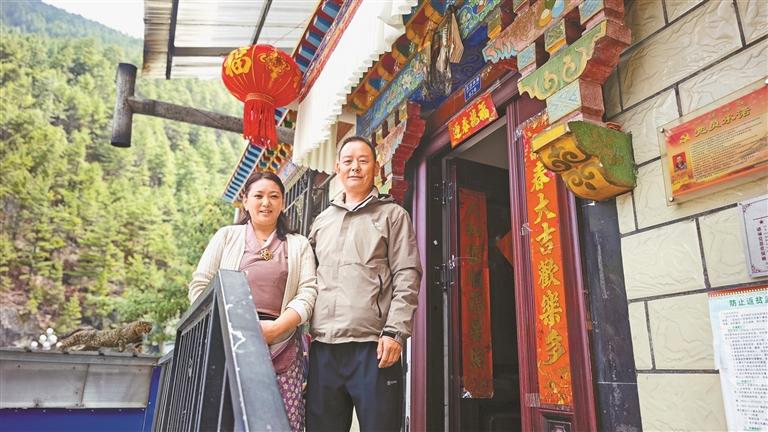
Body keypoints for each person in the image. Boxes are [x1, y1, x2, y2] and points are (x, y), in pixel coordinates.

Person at [306, 136, 422, 432]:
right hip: (323, 348)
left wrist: (395, 332)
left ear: (376, 166)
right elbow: (306, 280)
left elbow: (407, 274)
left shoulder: (393, 215)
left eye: (363, 161)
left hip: (374, 347)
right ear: (337, 168)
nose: (354, 167)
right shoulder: (322, 221)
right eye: (348, 161)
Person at [188, 172, 317, 432]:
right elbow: (200, 287)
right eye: (258, 196)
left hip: (281, 341)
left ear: (282, 203)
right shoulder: (226, 236)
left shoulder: (299, 244)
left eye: (274, 196)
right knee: (227, 420)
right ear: (245, 201)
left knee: (282, 422)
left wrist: (277, 328)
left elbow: (307, 292)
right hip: (229, 341)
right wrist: (233, 328)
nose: (266, 202)